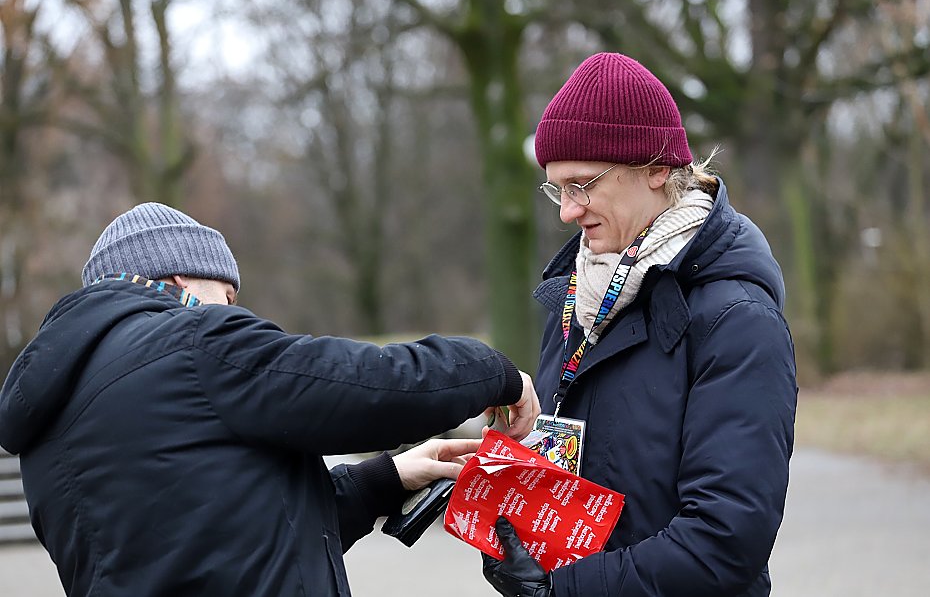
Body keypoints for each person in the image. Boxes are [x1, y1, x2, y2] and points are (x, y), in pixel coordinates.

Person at [0, 201, 541, 596]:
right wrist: (492, 371)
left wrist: (387, 479)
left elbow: (225, 534)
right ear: (181, 274)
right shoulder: (193, 342)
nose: (233, 310)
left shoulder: (51, 414)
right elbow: (360, 383)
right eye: (229, 295)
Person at [482, 52, 797, 596]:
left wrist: (564, 592)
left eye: (583, 184)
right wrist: (513, 521)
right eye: (557, 188)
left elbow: (726, 540)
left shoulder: (736, 319)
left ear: (656, 169)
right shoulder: (575, 298)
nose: (567, 211)